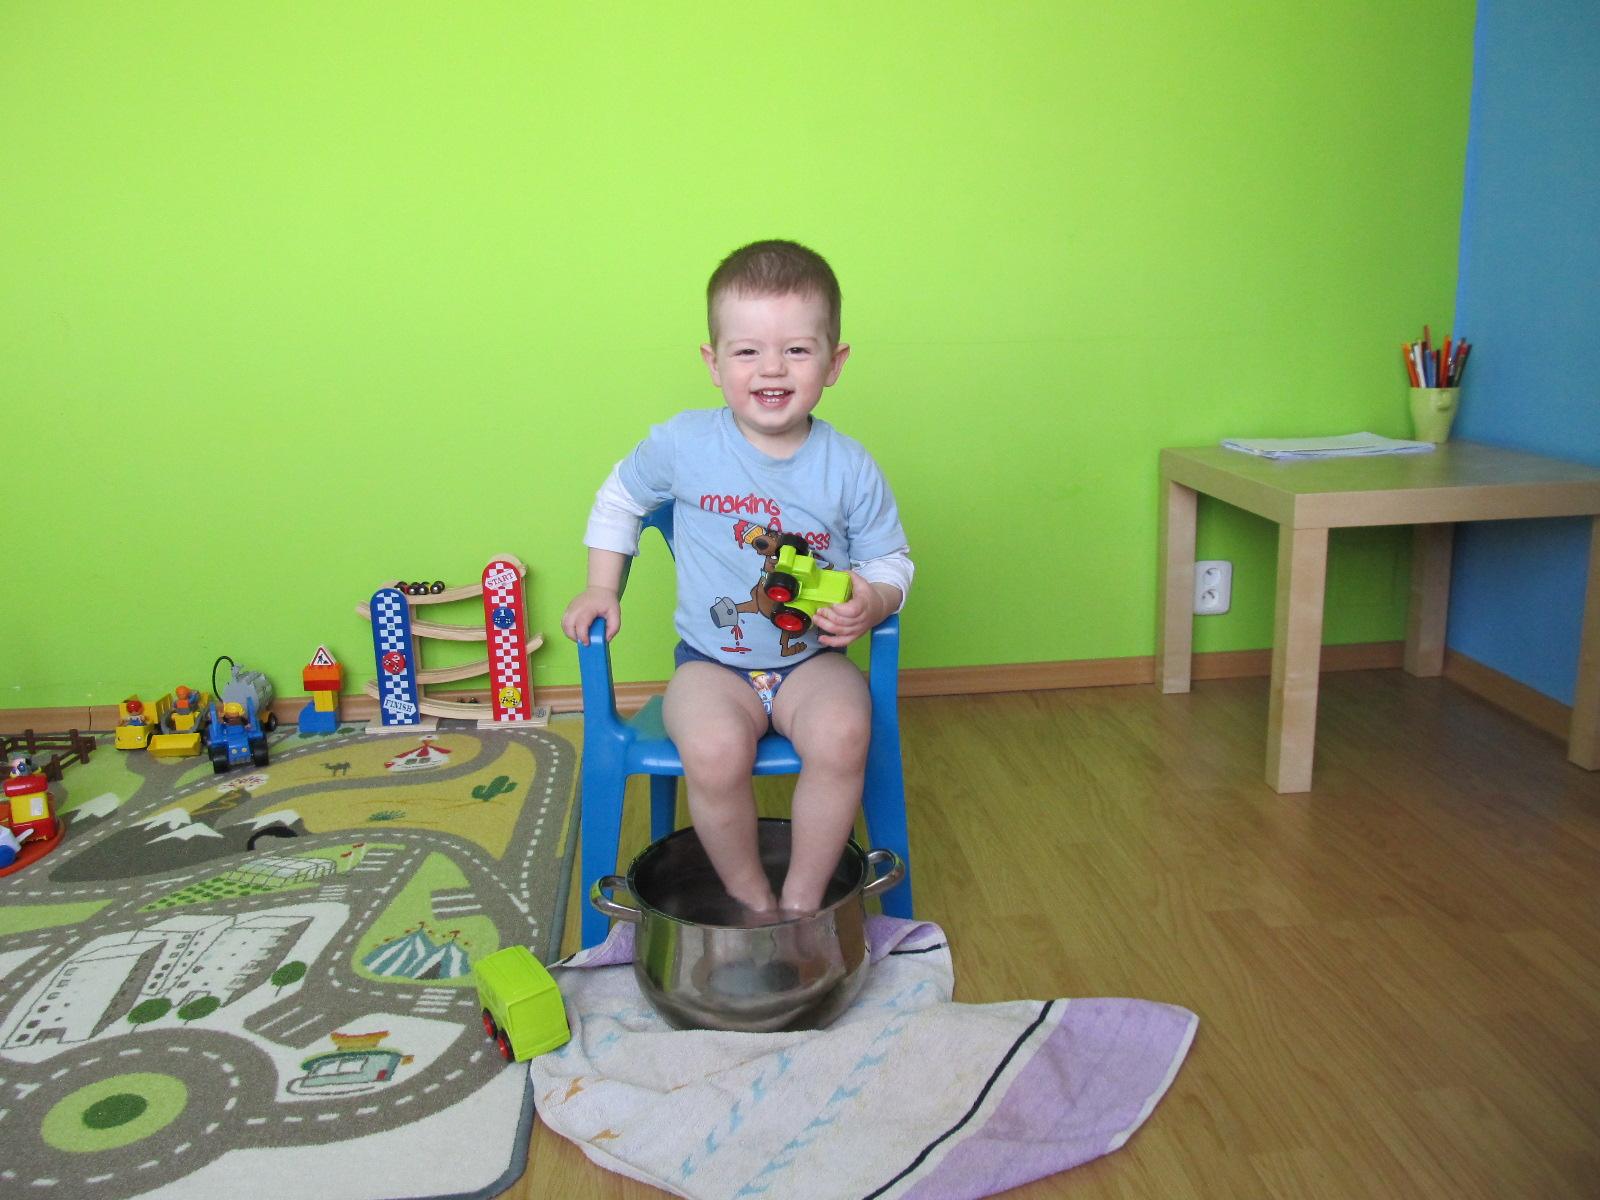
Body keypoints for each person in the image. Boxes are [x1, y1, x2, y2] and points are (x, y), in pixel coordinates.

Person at [561, 239, 913, 921]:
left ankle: (805, 899)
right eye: (747, 351)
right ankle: (750, 896)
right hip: (711, 665)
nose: (772, 368)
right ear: (713, 362)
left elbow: (890, 559)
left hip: (812, 662)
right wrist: (603, 586)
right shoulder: (684, 445)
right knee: (714, 749)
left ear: (834, 363)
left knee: (845, 733)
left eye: (797, 350)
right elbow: (620, 498)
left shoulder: (849, 466)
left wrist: (873, 600)